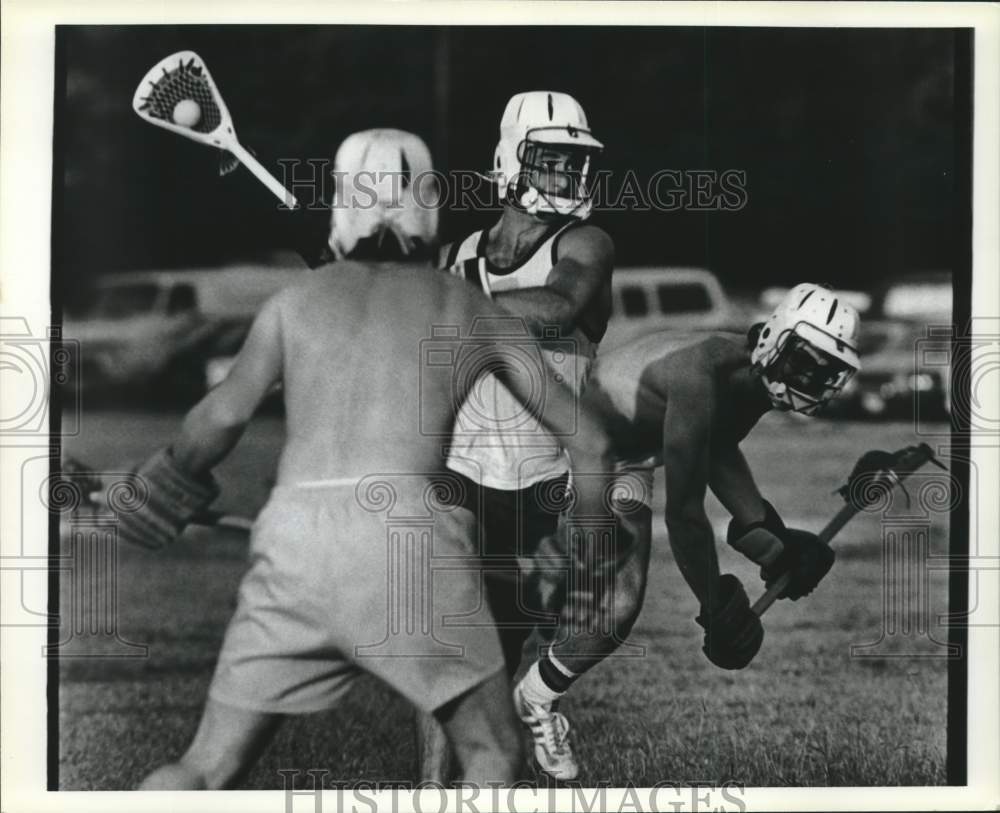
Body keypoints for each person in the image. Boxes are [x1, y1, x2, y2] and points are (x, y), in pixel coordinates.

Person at [119, 129, 616, 789]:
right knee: (493, 754)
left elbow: (222, 416)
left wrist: (165, 480)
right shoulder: (461, 303)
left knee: (203, 769)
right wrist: (585, 551)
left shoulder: (295, 300)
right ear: (431, 204)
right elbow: (592, 441)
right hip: (410, 536)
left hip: (292, 536)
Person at [511, 283, 863, 776]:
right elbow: (684, 513)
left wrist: (770, 541)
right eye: (805, 362)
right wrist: (713, 606)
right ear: (774, 340)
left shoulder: (750, 377)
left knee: (617, 611)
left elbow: (716, 450)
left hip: (625, 456)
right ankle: (491, 709)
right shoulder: (701, 374)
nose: (810, 379)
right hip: (569, 444)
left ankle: (534, 698)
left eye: (825, 371)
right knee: (545, 596)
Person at [419, 91, 614, 782]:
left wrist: (437, 305)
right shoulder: (457, 255)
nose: (567, 176)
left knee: (548, 633)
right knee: (459, 649)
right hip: (469, 474)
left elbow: (557, 307)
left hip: (552, 483)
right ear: (511, 160)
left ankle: (508, 749)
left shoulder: (584, 243)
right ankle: (431, 791)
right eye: (552, 160)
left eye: (575, 162)